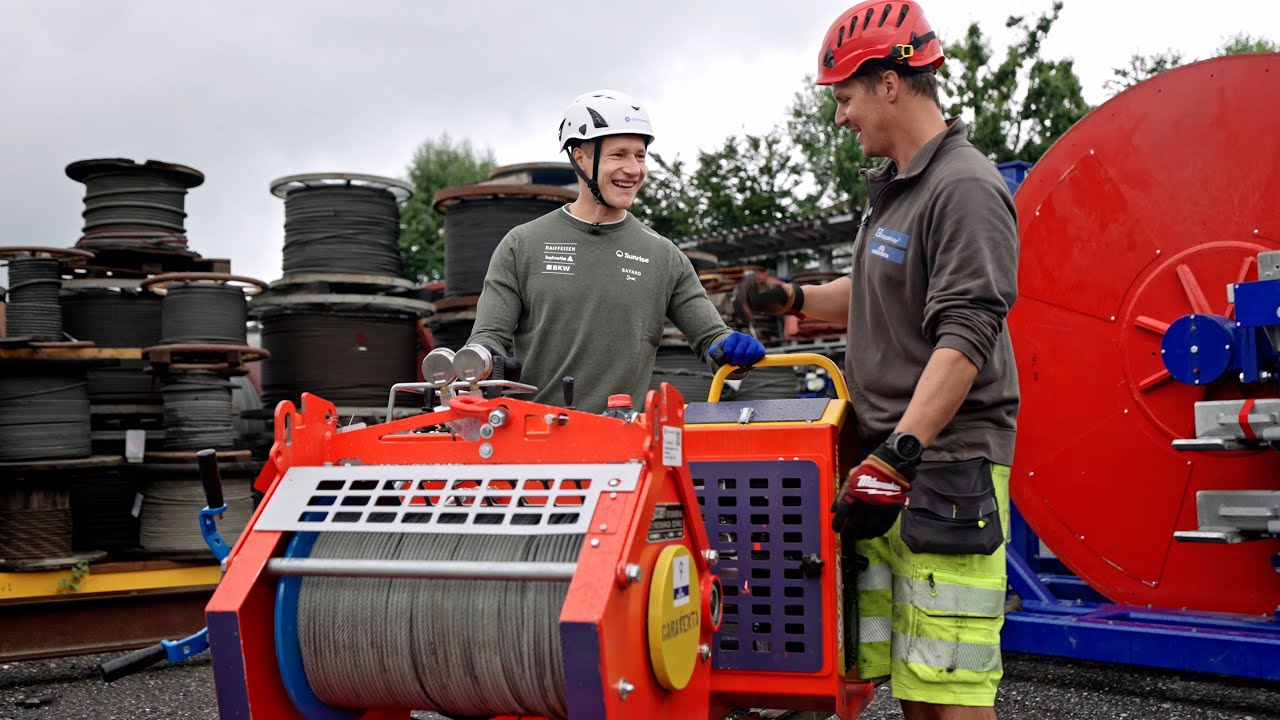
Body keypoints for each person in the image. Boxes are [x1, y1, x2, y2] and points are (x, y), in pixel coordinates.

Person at [739, 2, 1019, 717]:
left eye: (844, 96)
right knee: (918, 687)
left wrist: (898, 455)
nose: (840, 117)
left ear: (890, 83)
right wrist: (791, 295)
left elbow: (965, 337)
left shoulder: (963, 188)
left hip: (942, 464)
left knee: (953, 689)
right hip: (896, 461)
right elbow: (870, 293)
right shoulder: (900, 189)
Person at [467, 89, 764, 413]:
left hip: (623, 447)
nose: (634, 169)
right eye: (618, 155)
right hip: (535, 443)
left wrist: (732, 349)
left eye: (639, 156)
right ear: (580, 158)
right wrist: (477, 361)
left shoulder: (663, 255)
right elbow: (487, 340)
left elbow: (712, 340)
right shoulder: (521, 245)